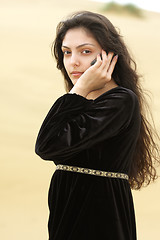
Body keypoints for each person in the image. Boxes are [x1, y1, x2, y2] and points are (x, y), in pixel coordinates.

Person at [35, 11, 159, 240]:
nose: (73, 61)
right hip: (67, 216)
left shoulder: (120, 101)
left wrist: (79, 89)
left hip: (100, 219)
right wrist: (78, 93)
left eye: (85, 51)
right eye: (66, 52)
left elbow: (46, 146)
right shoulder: (78, 102)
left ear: (110, 56)